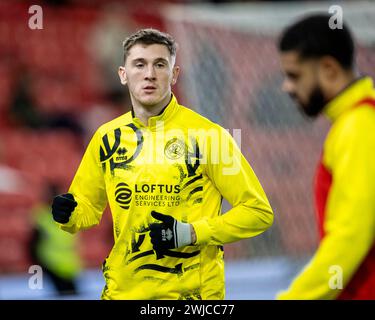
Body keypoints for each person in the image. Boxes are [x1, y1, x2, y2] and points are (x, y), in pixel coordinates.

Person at [51, 28, 274, 300]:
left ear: (175, 74)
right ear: (123, 75)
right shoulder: (106, 138)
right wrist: (68, 214)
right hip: (123, 292)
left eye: (160, 64)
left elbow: (258, 212)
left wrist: (191, 233)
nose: (149, 74)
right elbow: (86, 208)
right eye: (139, 64)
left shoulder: (211, 137)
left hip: (193, 295)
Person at [276, 13, 375, 299]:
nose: (287, 87)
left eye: (294, 75)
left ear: (329, 69)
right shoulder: (355, 121)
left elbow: (351, 235)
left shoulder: (359, 126)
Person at [30, 183, 82, 296]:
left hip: (69, 267)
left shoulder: (68, 213)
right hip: (52, 266)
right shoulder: (41, 216)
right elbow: (32, 246)